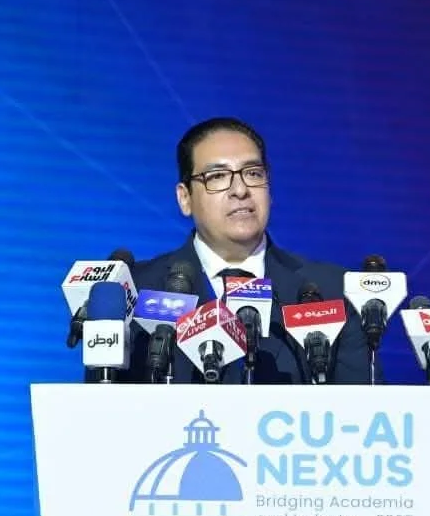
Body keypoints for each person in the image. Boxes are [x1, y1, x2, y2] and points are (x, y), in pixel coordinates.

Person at [121, 116, 379, 385]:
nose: (240, 190)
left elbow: (365, 404)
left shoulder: (333, 291)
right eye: (217, 176)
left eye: (253, 173)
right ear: (185, 198)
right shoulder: (137, 292)